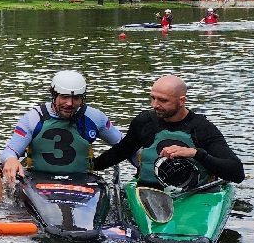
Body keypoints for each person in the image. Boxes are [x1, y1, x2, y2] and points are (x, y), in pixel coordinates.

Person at [92, 74, 244, 187]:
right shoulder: (144, 122)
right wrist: (87, 167)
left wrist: (196, 153)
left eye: (163, 100)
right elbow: (120, 152)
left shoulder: (202, 128)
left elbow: (237, 173)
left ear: (181, 101)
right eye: (153, 98)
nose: (155, 105)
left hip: (193, 194)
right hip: (148, 193)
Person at [0, 70, 124, 187]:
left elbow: (126, 146)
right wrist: (11, 160)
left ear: (82, 98)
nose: (70, 103)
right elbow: (10, 151)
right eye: (64, 97)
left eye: (76, 98)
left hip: (82, 181)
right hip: (38, 179)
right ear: (54, 95)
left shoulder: (96, 118)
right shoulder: (34, 118)